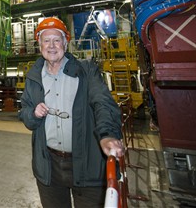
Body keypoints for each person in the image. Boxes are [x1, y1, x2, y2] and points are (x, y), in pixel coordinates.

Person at [19, 16, 124, 208]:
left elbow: (103, 103)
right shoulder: (33, 77)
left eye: (57, 40)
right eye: (46, 40)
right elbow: (24, 113)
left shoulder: (87, 71)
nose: (52, 46)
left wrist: (107, 135)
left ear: (65, 44)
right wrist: (33, 114)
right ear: (39, 45)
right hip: (49, 168)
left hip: (87, 165)